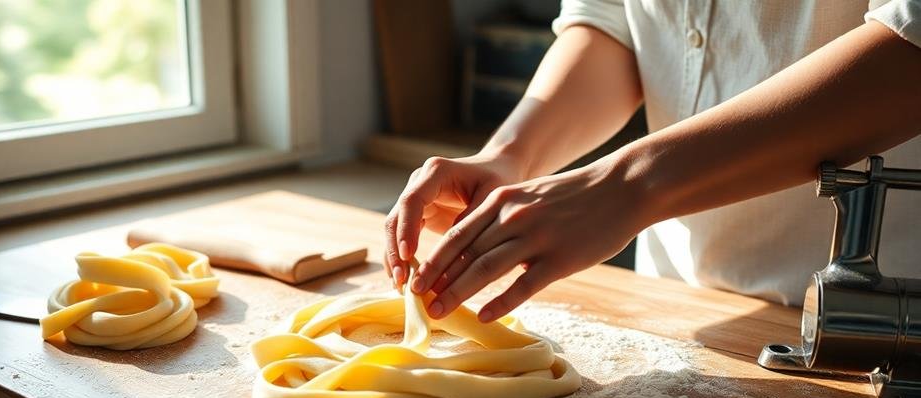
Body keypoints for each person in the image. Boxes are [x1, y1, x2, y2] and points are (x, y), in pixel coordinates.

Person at [383, 0, 921, 324]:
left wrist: (628, 186)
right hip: (671, 302)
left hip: (876, 313)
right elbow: (617, 24)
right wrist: (511, 156)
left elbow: (909, 52)